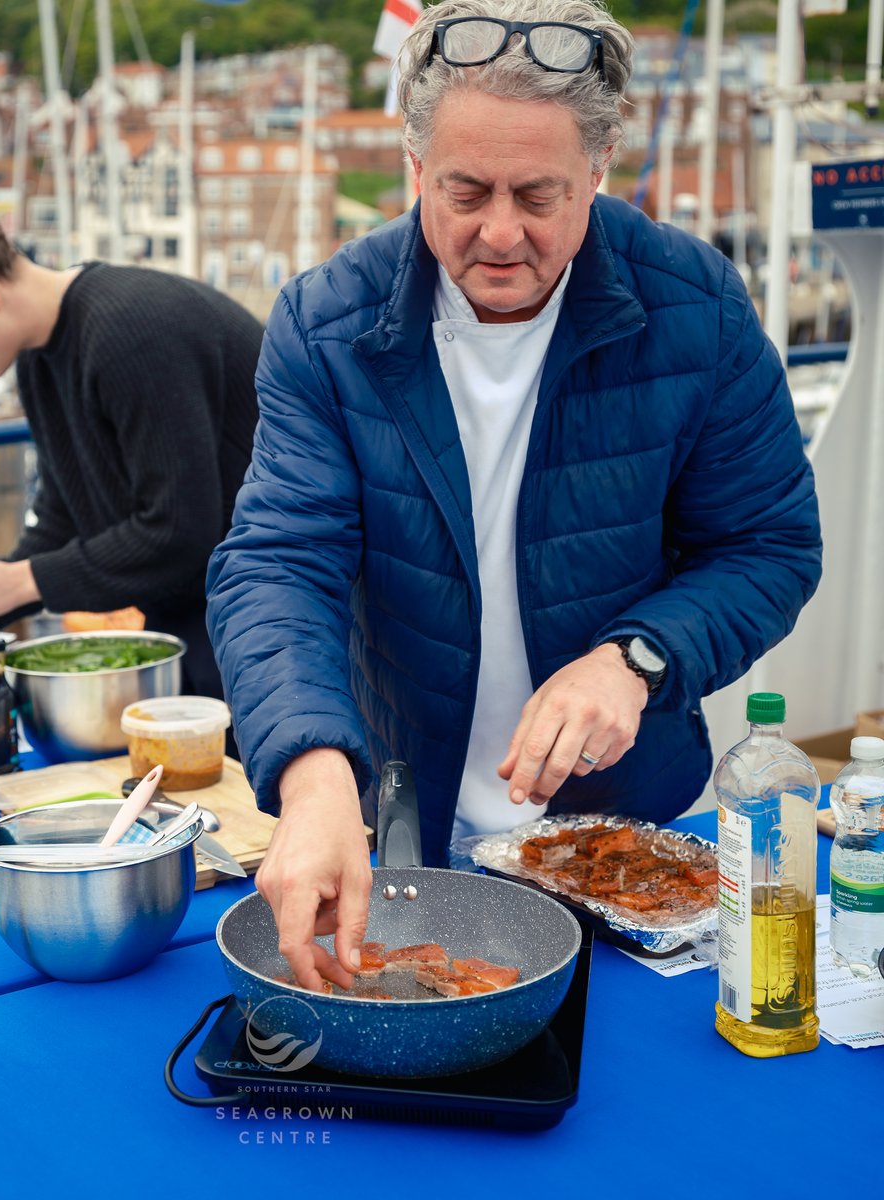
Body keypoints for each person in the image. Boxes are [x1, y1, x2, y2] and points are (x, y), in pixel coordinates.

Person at [206, 0, 822, 991]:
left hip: (632, 837)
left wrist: (637, 656)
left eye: (539, 196)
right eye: (464, 191)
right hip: (406, 830)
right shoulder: (324, 321)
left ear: (599, 171)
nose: (501, 233)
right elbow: (278, 562)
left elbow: (770, 546)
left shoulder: (696, 307)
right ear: (415, 171)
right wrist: (313, 771)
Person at [0, 201, 263, 701]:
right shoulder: (37, 359)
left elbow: (179, 533)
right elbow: (62, 515)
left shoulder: (131, 330)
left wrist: (24, 582)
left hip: (275, 619)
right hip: (209, 617)